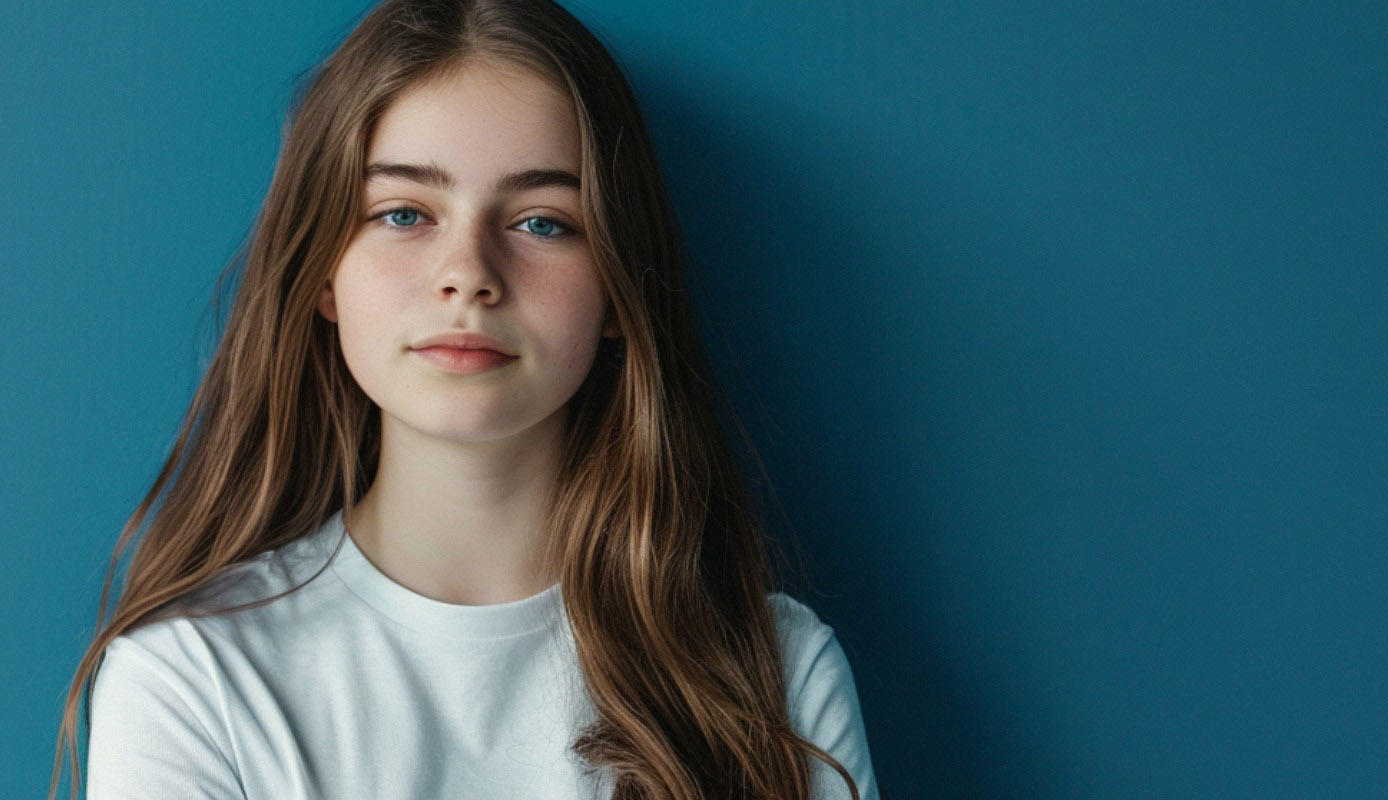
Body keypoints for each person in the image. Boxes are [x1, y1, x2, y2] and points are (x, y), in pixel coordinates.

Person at [47, 1, 880, 798]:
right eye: (405, 214)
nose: (469, 274)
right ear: (323, 273)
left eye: (542, 222)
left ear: (621, 289)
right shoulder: (191, 678)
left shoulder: (771, 672)